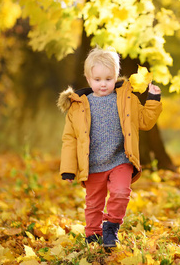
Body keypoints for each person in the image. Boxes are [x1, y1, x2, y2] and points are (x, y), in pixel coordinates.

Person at [57, 47, 162, 248]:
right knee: (93, 205)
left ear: (116, 77)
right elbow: (70, 139)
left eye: (108, 78)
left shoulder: (126, 98)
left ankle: (111, 228)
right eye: (97, 79)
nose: (103, 84)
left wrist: (153, 100)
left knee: (122, 192)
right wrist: (68, 169)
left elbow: (144, 121)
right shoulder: (78, 106)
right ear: (88, 79)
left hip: (121, 159)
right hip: (93, 164)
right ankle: (92, 236)